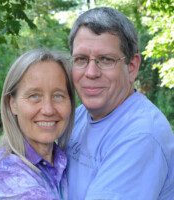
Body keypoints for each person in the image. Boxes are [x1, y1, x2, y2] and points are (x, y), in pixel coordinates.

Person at [66, 7, 174, 200]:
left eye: (105, 60)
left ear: (132, 67)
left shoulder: (141, 135)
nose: (91, 72)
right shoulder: (80, 115)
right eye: (81, 59)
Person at [0, 49, 75, 199]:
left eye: (58, 96)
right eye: (34, 96)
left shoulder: (65, 160)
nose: (48, 109)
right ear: (12, 104)